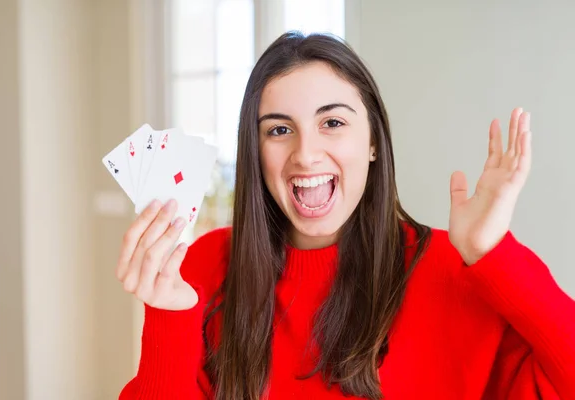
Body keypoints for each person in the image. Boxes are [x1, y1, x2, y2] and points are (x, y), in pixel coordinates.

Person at [116, 32, 575, 400]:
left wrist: (495, 256)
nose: (306, 153)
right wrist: (168, 316)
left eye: (332, 123)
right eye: (279, 130)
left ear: (373, 141)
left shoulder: (453, 270)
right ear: (255, 152)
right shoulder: (204, 266)